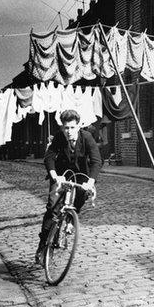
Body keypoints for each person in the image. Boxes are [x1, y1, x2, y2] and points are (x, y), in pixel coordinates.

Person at [35, 109, 102, 265]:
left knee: (82, 194)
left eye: (72, 128)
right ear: (62, 127)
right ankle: (44, 247)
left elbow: (96, 161)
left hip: (81, 176)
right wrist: (54, 175)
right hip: (61, 175)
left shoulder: (87, 138)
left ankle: (71, 219)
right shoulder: (59, 137)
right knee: (53, 208)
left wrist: (90, 182)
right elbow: (49, 157)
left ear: (78, 126)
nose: (69, 131)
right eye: (66, 128)